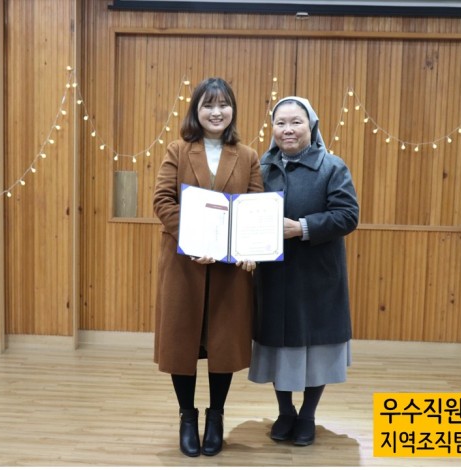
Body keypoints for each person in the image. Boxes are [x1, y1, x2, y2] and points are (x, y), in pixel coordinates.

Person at [152, 77, 262, 457]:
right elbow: (162, 201)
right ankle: (187, 416)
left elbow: (255, 207)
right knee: (181, 342)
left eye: (223, 104)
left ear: (232, 110)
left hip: (230, 271)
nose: (216, 112)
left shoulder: (247, 155)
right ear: (196, 111)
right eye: (208, 105)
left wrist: (250, 248)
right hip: (185, 266)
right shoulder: (178, 150)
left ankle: (216, 416)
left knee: (223, 343)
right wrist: (195, 239)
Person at [249, 96, 360, 446]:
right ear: (272, 128)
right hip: (273, 277)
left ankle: (308, 414)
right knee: (277, 347)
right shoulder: (261, 169)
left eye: (296, 122)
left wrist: (302, 228)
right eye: (280, 123)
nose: (288, 130)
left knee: (316, 350)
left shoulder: (332, 167)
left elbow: (348, 216)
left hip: (318, 277)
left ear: (311, 126)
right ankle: (285, 412)